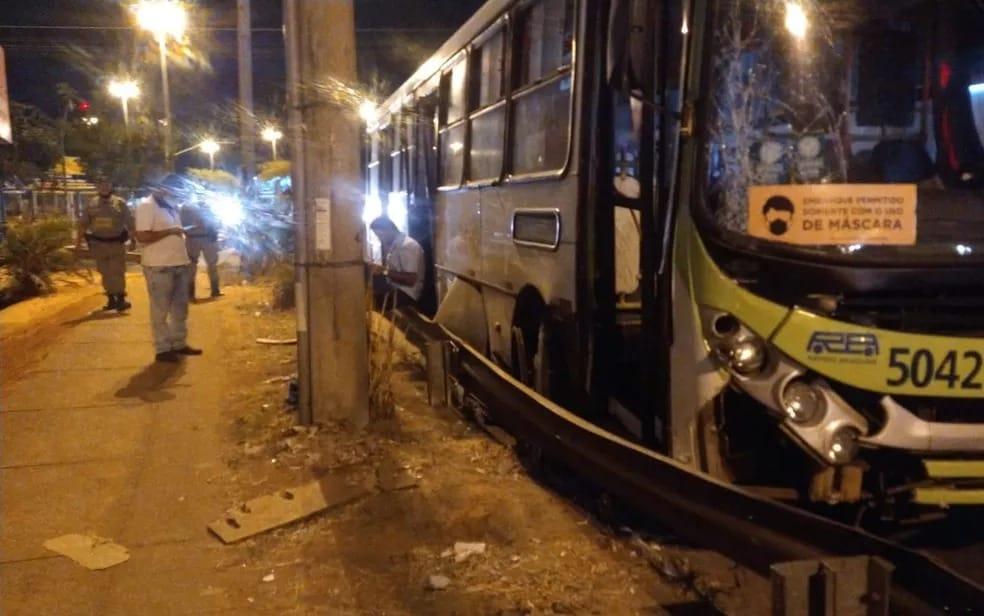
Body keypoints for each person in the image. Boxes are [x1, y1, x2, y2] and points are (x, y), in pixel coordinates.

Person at [134, 174, 203, 363]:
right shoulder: (147, 206)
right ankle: (163, 349)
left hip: (179, 264)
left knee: (180, 309)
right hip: (159, 266)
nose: (179, 194)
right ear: (164, 188)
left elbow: (174, 231)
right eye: (176, 190)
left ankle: (179, 343)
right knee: (160, 310)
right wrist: (171, 231)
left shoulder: (171, 206)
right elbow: (142, 236)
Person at [76, 178, 133, 311]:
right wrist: (78, 243)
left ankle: (121, 298)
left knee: (117, 271)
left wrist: (133, 239)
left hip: (116, 243)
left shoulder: (120, 203)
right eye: (102, 185)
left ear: (111, 187)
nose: (105, 187)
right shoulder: (91, 204)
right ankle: (111, 299)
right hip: (99, 244)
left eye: (107, 184)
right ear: (98, 187)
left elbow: (130, 223)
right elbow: (83, 225)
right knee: (105, 272)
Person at [368, 216, 425, 308]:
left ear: (389, 230)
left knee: (374, 302)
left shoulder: (408, 246)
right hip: (396, 289)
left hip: (407, 294)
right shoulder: (395, 245)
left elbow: (411, 280)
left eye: (380, 235)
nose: (380, 239)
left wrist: (383, 271)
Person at [180, 195, 222, 300]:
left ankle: (192, 294)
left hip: (197, 238)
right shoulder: (188, 207)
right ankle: (213, 290)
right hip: (200, 238)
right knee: (205, 265)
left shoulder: (187, 207)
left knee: (194, 266)